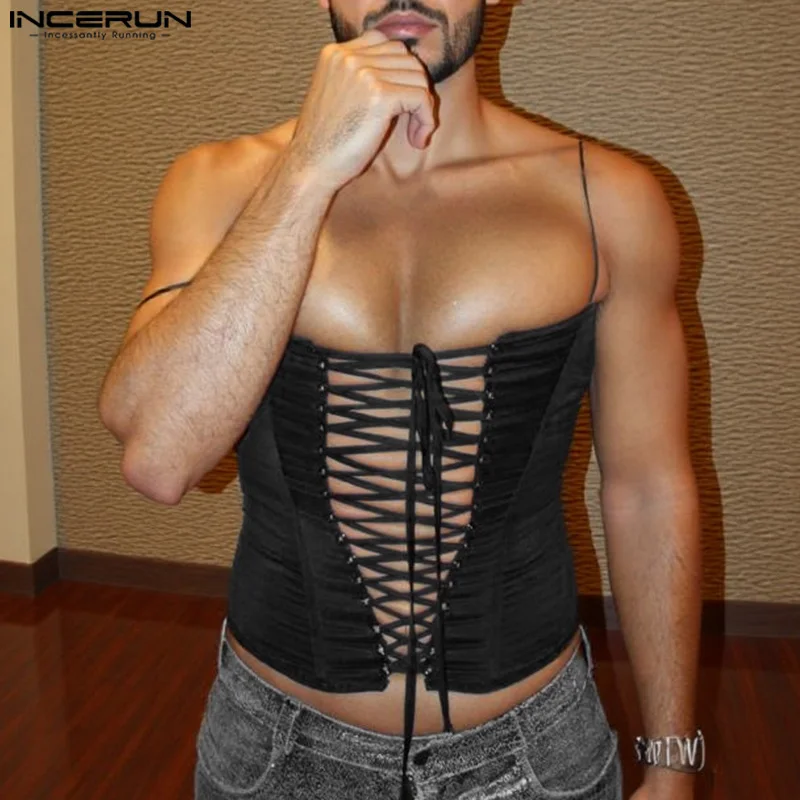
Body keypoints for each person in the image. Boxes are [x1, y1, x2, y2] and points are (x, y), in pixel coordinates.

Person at [98, 1, 704, 798]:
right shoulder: (217, 184)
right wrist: (309, 169)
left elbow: (649, 490)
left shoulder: (608, 199)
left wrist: (672, 758)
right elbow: (159, 456)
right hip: (276, 751)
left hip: (535, 755)